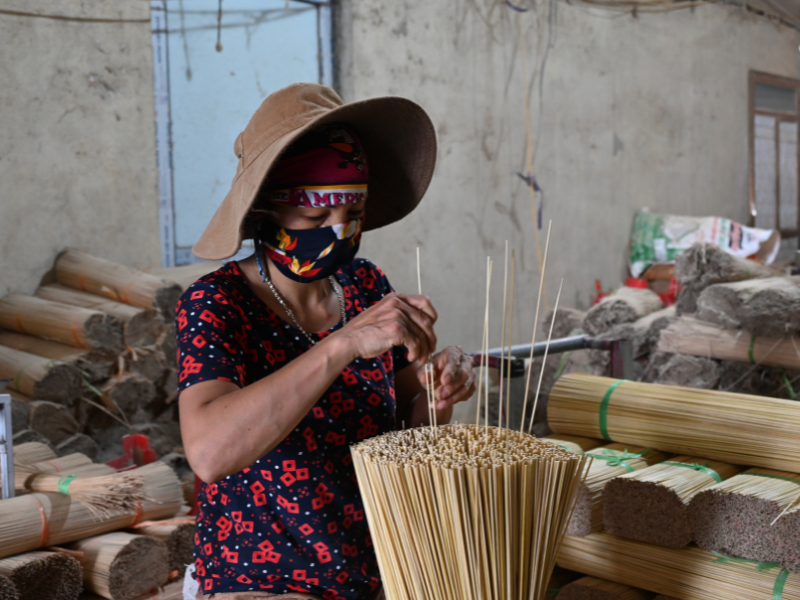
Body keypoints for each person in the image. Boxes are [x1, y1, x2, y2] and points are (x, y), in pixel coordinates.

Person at [177, 83, 476, 600]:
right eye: (316, 217)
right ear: (267, 210)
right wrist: (341, 346)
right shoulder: (217, 303)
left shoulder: (366, 286)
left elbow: (408, 433)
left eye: (352, 214)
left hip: (374, 569)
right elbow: (208, 452)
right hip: (262, 583)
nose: (338, 232)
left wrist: (438, 393)